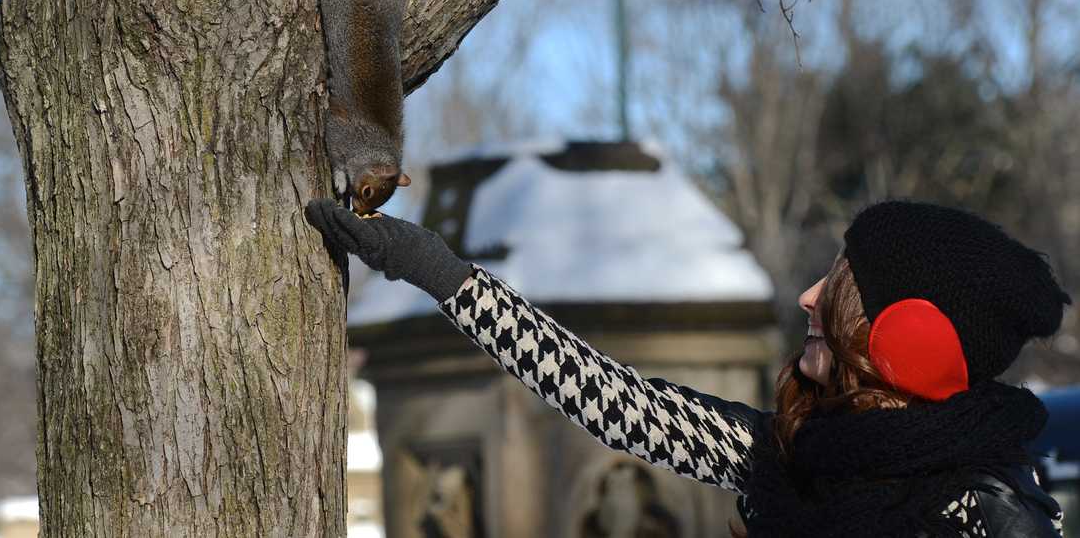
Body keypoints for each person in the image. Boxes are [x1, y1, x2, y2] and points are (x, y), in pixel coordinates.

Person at [305, 199, 1070, 537]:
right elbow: (607, 397)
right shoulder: (787, 455)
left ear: (908, 335)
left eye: (838, 287)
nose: (806, 296)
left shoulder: (984, 515)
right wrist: (440, 274)